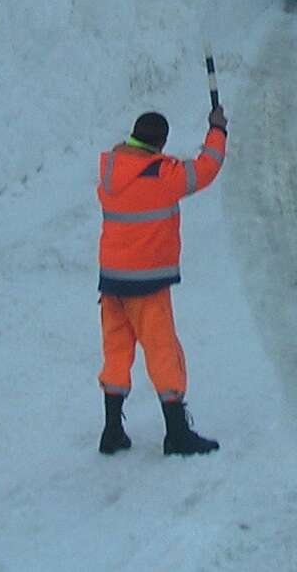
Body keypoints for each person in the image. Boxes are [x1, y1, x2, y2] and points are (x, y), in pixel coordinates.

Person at [95, 104, 228, 456]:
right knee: (163, 353)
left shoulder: (110, 172)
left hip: (111, 283)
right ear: (160, 143)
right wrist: (217, 130)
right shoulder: (162, 177)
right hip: (147, 285)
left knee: (116, 352)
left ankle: (111, 431)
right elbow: (207, 168)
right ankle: (177, 434)